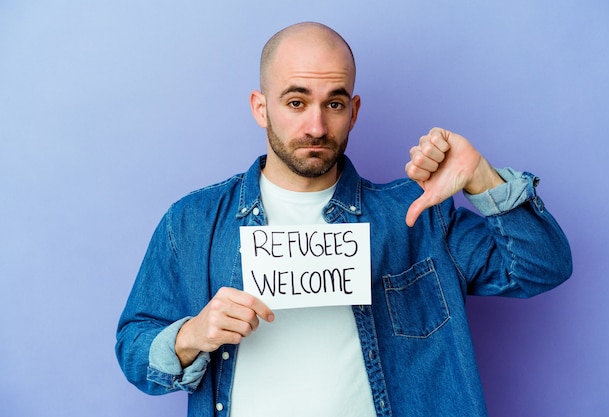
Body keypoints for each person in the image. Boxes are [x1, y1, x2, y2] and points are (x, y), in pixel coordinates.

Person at [116, 22, 572, 417]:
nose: (315, 127)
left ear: (353, 111)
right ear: (261, 107)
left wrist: (481, 178)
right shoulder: (193, 222)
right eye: (296, 102)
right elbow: (134, 350)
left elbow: (541, 267)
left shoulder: (416, 217)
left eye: (333, 104)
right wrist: (191, 335)